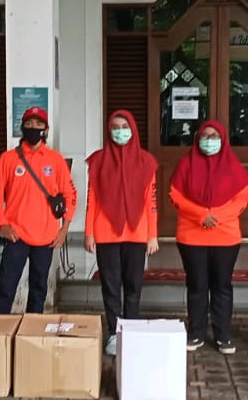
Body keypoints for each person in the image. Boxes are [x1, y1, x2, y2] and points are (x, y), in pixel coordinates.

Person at [169, 120, 248, 355]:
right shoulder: (186, 163)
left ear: (223, 139)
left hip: (226, 237)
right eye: (205, 135)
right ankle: (196, 333)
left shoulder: (232, 165)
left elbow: (242, 198)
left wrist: (216, 216)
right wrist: (201, 215)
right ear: (197, 138)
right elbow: (174, 195)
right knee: (197, 286)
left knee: (222, 286)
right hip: (191, 236)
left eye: (215, 136)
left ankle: (223, 335)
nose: (210, 140)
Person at [0, 106, 77, 315]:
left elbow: (70, 194)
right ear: (22, 128)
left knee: (39, 290)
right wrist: (2, 224)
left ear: (46, 130)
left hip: (46, 236)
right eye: (29, 124)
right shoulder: (8, 159)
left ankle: (32, 331)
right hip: (16, 236)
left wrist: (64, 229)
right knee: (5, 287)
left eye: (38, 125)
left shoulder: (55, 160)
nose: (33, 128)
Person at [85, 110, 159, 356]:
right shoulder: (98, 161)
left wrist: (153, 235)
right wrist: (88, 233)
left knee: (134, 286)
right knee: (111, 287)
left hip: (137, 234)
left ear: (133, 129)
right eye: (114, 127)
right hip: (105, 234)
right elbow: (92, 199)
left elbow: (151, 201)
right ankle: (115, 334)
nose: (119, 131)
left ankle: (132, 329)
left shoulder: (146, 162)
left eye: (124, 126)